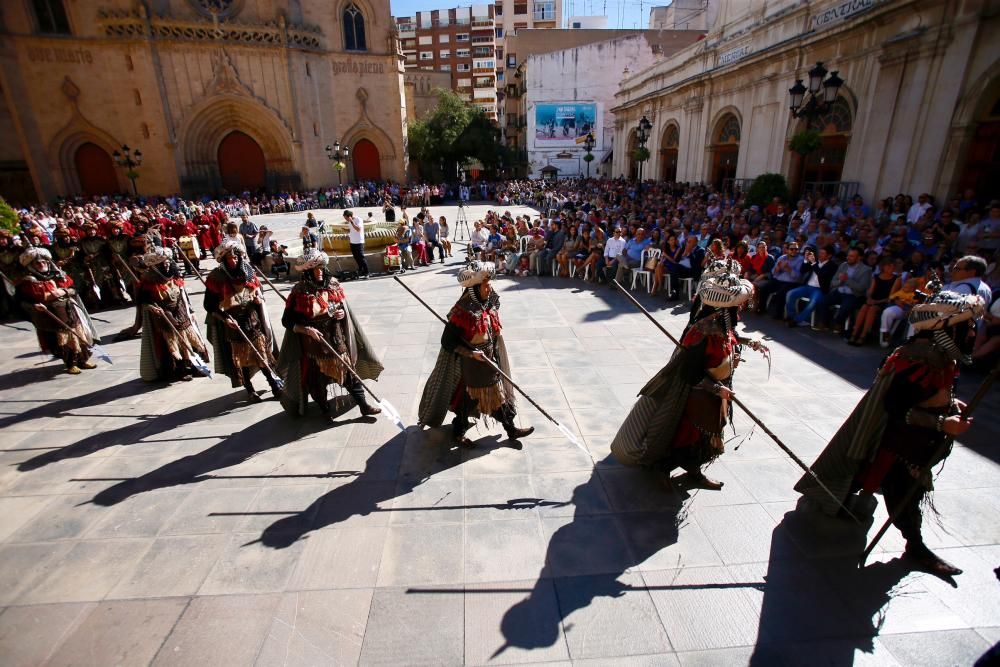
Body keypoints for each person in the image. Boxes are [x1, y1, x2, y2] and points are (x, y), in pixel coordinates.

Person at [795, 288, 985, 577]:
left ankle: (892, 534)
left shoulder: (940, 355)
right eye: (968, 326)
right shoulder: (919, 357)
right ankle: (915, 546)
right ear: (947, 326)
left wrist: (948, 404)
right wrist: (941, 423)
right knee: (901, 493)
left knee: (891, 489)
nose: (972, 333)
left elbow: (926, 395)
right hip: (894, 444)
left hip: (910, 444)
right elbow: (896, 408)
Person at [610, 259, 765, 490]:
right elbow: (689, 371)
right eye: (738, 304)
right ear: (726, 307)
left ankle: (694, 471)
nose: (741, 307)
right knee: (681, 433)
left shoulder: (723, 324)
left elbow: (730, 337)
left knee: (705, 436)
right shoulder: (702, 331)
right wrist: (716, 388)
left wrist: (747, 341)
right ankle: (662, 469)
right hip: (691, 393)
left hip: (716, 390)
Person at [417, 260, 533, 447]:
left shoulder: (488, 301)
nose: (489, 288)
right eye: (486, 285)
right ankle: (458, 432)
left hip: (489, 360)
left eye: (489, 284)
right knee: (468, 400)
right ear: (475, 288)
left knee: (498, 397)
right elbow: (447, 342)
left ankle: (511, 429)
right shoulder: (462, 312)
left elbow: (492, 315)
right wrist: (471, 353)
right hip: (471, 366)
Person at [277, 249, 383, 423]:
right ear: (307, 272)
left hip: (336, 337)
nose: (319, 271)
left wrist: (341, 313)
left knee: (349, 373)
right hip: (313, 343)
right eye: (315, 269)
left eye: (321, 267)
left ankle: (364, 405)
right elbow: (287, 320)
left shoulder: (333, 284)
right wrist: (305, 330)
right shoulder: (299, 291)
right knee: (317, 380)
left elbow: (341, 307)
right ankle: (324, 409)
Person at [204, 240, 283, 403]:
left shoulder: (248, 272)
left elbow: (258, 293)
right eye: (229, 259)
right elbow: (209, 306)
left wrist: (259, 300)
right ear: (223, 260)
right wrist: (225, 319)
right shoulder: (216, 278)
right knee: (243, 361)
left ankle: (274, 385)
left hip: (253, 322)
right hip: (233, 325)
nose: (233, 261)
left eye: (235, 258)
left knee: (263, 356)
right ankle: (250, 390)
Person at [15, 247, 98, 374]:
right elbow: (22, 301)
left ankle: (82, 360)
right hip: (50, 314)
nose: (42, 264)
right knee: (62, 340)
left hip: (69, 309)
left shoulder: (59, 275)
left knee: (79, 334)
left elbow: (74, 288)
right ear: (32, 265)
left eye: (44, 262)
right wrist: (35, 306)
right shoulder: (29, 281)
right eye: (38, 263)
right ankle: (70, 364)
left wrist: (63, 291)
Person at [137, 247, 211, 382]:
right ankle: (179, 370)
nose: (166, 264)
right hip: (163, 314)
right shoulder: (148, 280)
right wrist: (153, 308)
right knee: (172, 342)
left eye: (167, 261)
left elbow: (183, 295)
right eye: (162, 263)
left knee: (189, 338)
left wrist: (190, 310)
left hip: (180, 309)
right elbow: (143, 301)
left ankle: (194, 366)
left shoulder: (174, 275)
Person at [814, 247, 872, 333]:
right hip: (839, 291)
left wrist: (847, 280)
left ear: (859, 258)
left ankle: (838, 324)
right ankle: (823, 323)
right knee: (822, 301)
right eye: (848, 255)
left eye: (852, 256)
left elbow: (861, 288)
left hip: (854, 294)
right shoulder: (843, 265)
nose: (848, 258)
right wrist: (840, 281)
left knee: (846, 307)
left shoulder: (866, 270)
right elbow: (833, 282)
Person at [345, 210, 369, 279]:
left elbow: (358, 229)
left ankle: (367, 272)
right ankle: (361, 270)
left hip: (359, 242)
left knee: (361, 258)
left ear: (349, 216)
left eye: (346, 218)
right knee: (356, 257)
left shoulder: (358, 219)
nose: (346, 219)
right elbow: (352, 230)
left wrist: (352, 222)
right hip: (352, 242)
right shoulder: (350, 222)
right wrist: (346, 230)